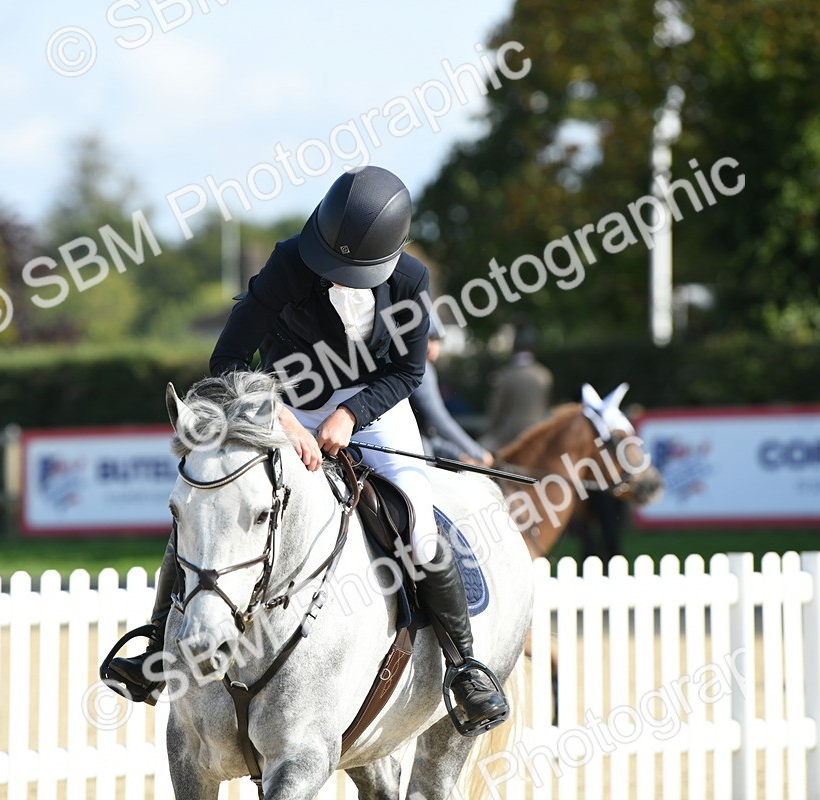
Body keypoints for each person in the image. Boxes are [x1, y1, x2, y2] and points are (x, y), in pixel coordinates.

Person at [107, 165, 508, 730]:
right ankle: (156, 644)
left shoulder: (410, 281)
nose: (339, 278)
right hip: (285, 401)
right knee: (216, 505)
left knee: (417, 520)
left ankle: (466, 667)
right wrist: (283, 419)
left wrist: (350, 414)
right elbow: (227, 360)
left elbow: (409, 370)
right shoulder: (289, 262)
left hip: (375, 404)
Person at [409, 322, 494, 466]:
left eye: (436, 340)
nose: (435, 347)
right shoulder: (422, 368)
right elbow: (439, 419)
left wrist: (458, 454)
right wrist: (478, 453)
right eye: (432, 339)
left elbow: (427, 434)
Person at [479, 325, 553, 453]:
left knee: (478, 451)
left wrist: (487, 430)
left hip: (510, 435)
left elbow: (496, 410)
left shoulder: (506, 375)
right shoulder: (545, 375)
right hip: (538, 433)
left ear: (514, 349)